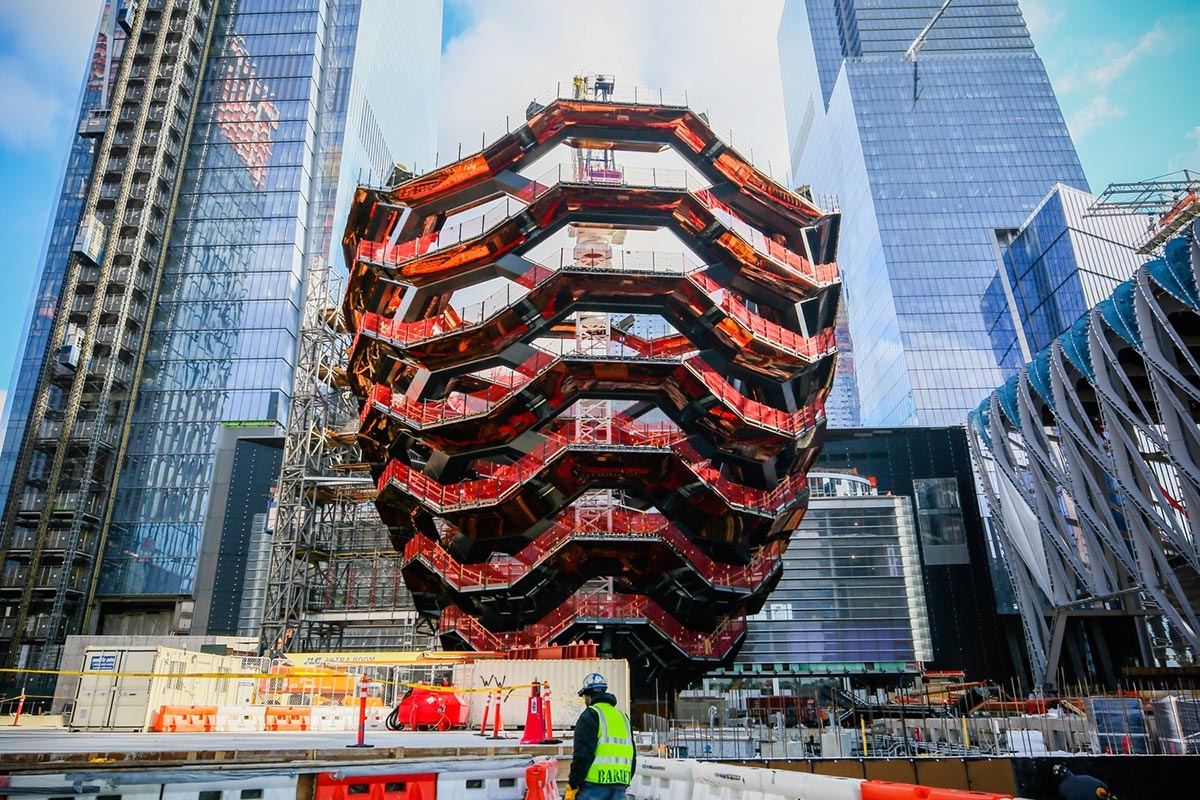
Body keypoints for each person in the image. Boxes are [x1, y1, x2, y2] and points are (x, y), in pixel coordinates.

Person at [566, 673, 636, 800]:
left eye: (584, 697)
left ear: (588, 696)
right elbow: (633, 756)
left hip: (594, 787)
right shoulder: (623, 717)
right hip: (620, 787)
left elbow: (583, 755)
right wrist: (624, 782)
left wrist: (573, 784)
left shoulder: (590, 715)